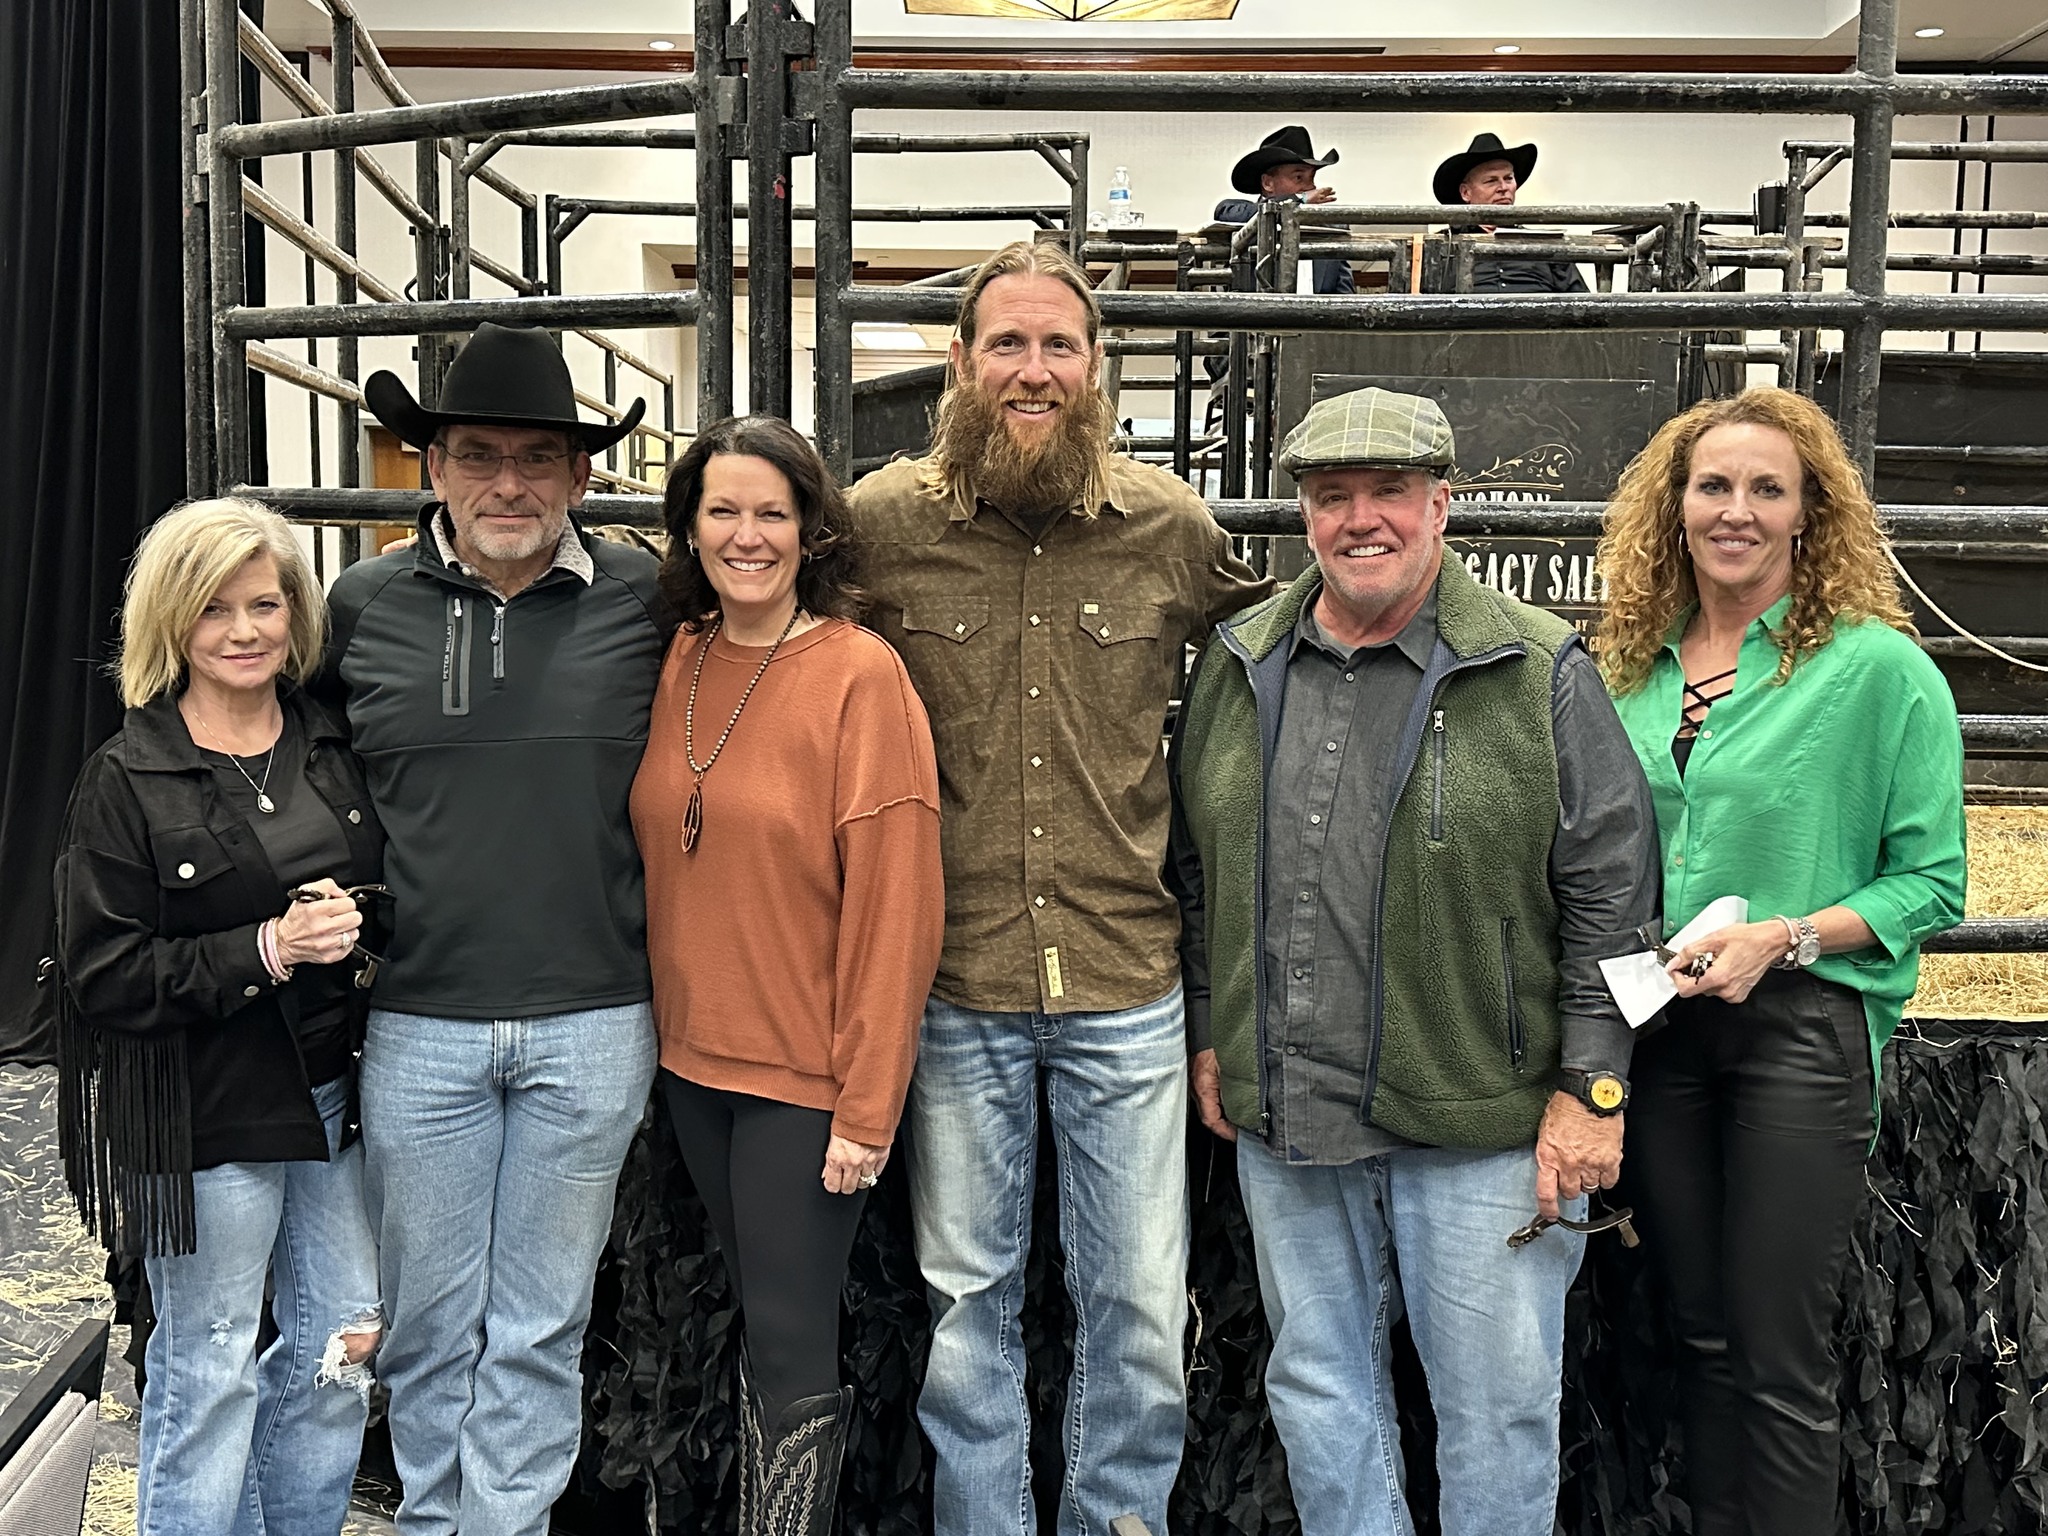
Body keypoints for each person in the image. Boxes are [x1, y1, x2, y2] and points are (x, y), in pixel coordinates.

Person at [1170, 387, 1658, 1536]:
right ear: (1302, 516)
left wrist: (1593, 1089)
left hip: (1483, 1124)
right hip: (1291, 1105)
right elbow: (1194, 869)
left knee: (1491, 1410)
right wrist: (1210, 1028)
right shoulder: (1239, 664)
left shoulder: (1537, 670)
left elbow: (1614, 899)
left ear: (1442, 506)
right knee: (1317, 1388)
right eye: (1332, 496)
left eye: (1389, 492)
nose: (1360, 520)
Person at [847, 238, 1272, 1536]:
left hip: (1127, 984)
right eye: (1007, 345)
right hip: (957, 980)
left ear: (1099, 368)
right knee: (967, 1308)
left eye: (1059, 346)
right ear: (961, 365)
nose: (1033, 371)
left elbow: (1277, 677)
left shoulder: (1173, 531)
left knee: (1138, 1309)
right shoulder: (876, 530)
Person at [1595, 387, 1967, 1536]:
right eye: (1713, 486)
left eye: (1767, 489)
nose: (1736, 511)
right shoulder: (1624, 667)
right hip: (1654, 1029)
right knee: (1698, 1334)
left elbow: (1933, 883)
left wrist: (1786, 936)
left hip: (1796, 1033)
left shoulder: (1876, 672)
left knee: (1773, 1352)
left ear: (1810, 513)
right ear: (1674, 506)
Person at [322, 322, 668, 1536]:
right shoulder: (359, 607)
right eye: (478, 454)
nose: (508, 483)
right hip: (418, 1022)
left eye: (538, 457)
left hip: (595, 1018)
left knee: (542, 1321)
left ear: (582, 476)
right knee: (427, 1319)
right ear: (431, 465)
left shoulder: (647, 595)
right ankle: (432, 1522)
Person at [631, 416, 943, 1534]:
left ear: (811, 530)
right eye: (722, 510)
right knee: (758, 1325)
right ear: (689, 527)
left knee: (791, 1335)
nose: (746, 534)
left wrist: (866, 1106)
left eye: (772, 512)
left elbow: (895, 908)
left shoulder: (859, 675)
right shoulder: (678, 658)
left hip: (802, 1081)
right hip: (688, 1063)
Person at [49, 496, 384, 1536]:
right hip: (203, 1114)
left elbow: (379, 895)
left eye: (265, 603)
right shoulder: (125, 776)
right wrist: (266, 950)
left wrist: (355, 919)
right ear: (171, 625)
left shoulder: (332, 745)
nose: (245, 631)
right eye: (213, 610)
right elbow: (104, 975)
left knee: (339, 1349)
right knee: (209, 1369)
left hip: (331, 1100)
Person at [1433, 131, 1589, 294]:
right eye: (1491, 181)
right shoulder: (1444, 246)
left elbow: (1583, 304)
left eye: (1508, 178)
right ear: (1466, 193)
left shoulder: (1544, 244)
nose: (1503, 188)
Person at [1215, 125, 1355, 295]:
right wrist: (1299, 200)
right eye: (1298, 177)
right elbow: (1224, 212)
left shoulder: (1332, 230)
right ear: (1268, 183)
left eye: (1311, 178)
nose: (1310, 187)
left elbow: (1345, 296)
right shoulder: (1239, 214)